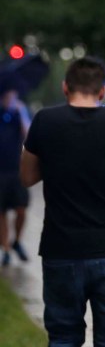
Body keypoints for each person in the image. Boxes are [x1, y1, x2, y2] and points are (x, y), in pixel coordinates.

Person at [19, 57, 105, 347]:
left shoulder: (45, 121)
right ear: (103, 91)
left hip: (60, 250)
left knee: (63, 340)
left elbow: (27, 177)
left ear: (65, 87)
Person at [0, 83, 31, 266]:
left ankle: (17, 241)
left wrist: (21, 113)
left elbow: (28, 135)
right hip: (0, 171)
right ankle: (5, 249)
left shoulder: (20, 112)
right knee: (1, 212)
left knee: (21, 208)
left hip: (17, 170)